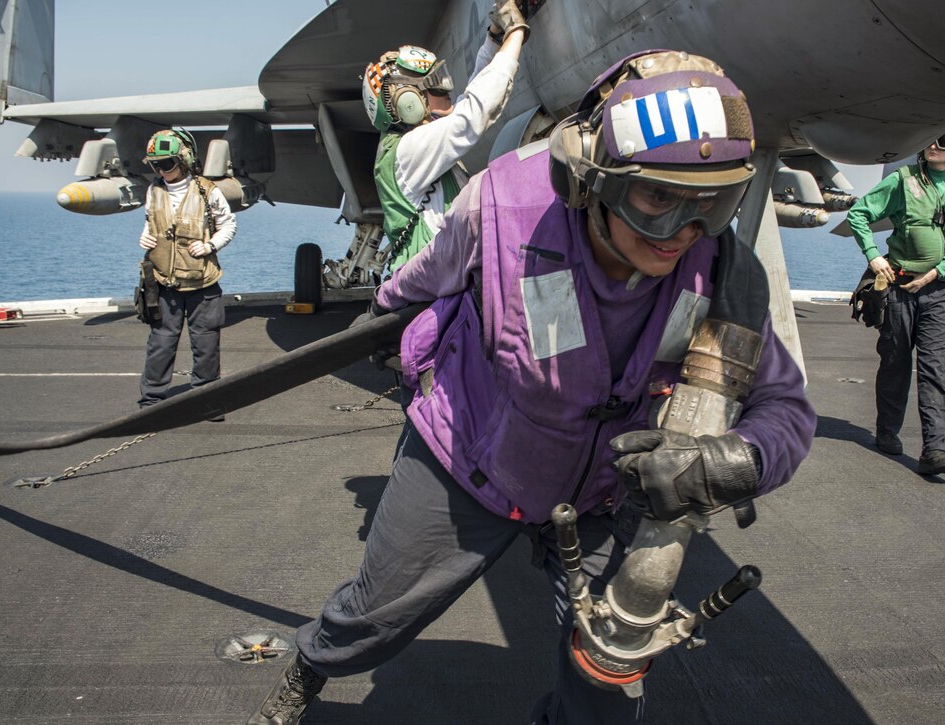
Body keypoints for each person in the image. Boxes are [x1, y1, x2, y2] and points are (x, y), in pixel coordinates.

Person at [246, 50, 815, 725]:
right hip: (471, 459)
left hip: (608, 490)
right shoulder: (500, 206)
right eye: (657, 198)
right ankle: (311, 664)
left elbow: (785, 407)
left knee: (609, 668)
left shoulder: (723, 271)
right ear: (591, 177)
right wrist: (386, 330)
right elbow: (416, 285)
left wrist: (735, 460)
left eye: (710, 202)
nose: (682, 232)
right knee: (372, 616)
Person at [846, 127, 945, 475]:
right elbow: (859, 214)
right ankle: (887, 431)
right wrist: (874, 256)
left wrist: (938, 271)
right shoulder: (903, 181)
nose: (934, 145)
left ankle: (934, 451)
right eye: (931, 137)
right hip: (898, 288)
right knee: (894, 363)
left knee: (933, 370)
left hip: (941, 292)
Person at [362, 0, 529, 270]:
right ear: (408, 102)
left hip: (437, 285)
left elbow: (470, 97)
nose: (447, 87)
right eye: (434, 84)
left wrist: (496, 38)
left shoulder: (408, 143)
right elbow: (473, 113)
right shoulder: (408, 151)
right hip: (431, 297)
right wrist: (517, 32)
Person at [137, 129, 237, 411]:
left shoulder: (207, 191)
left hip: (202, 284)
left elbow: (229, 224)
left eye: (166, 164)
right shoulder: (154, 190)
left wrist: (210, 246)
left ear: (183, 160)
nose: (161, 170)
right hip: (163, 282)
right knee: (160, 343)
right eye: (155, 165)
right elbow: (151, 220)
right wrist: (144, 236)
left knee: (205, 345)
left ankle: (206, 401)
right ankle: (151, 402)